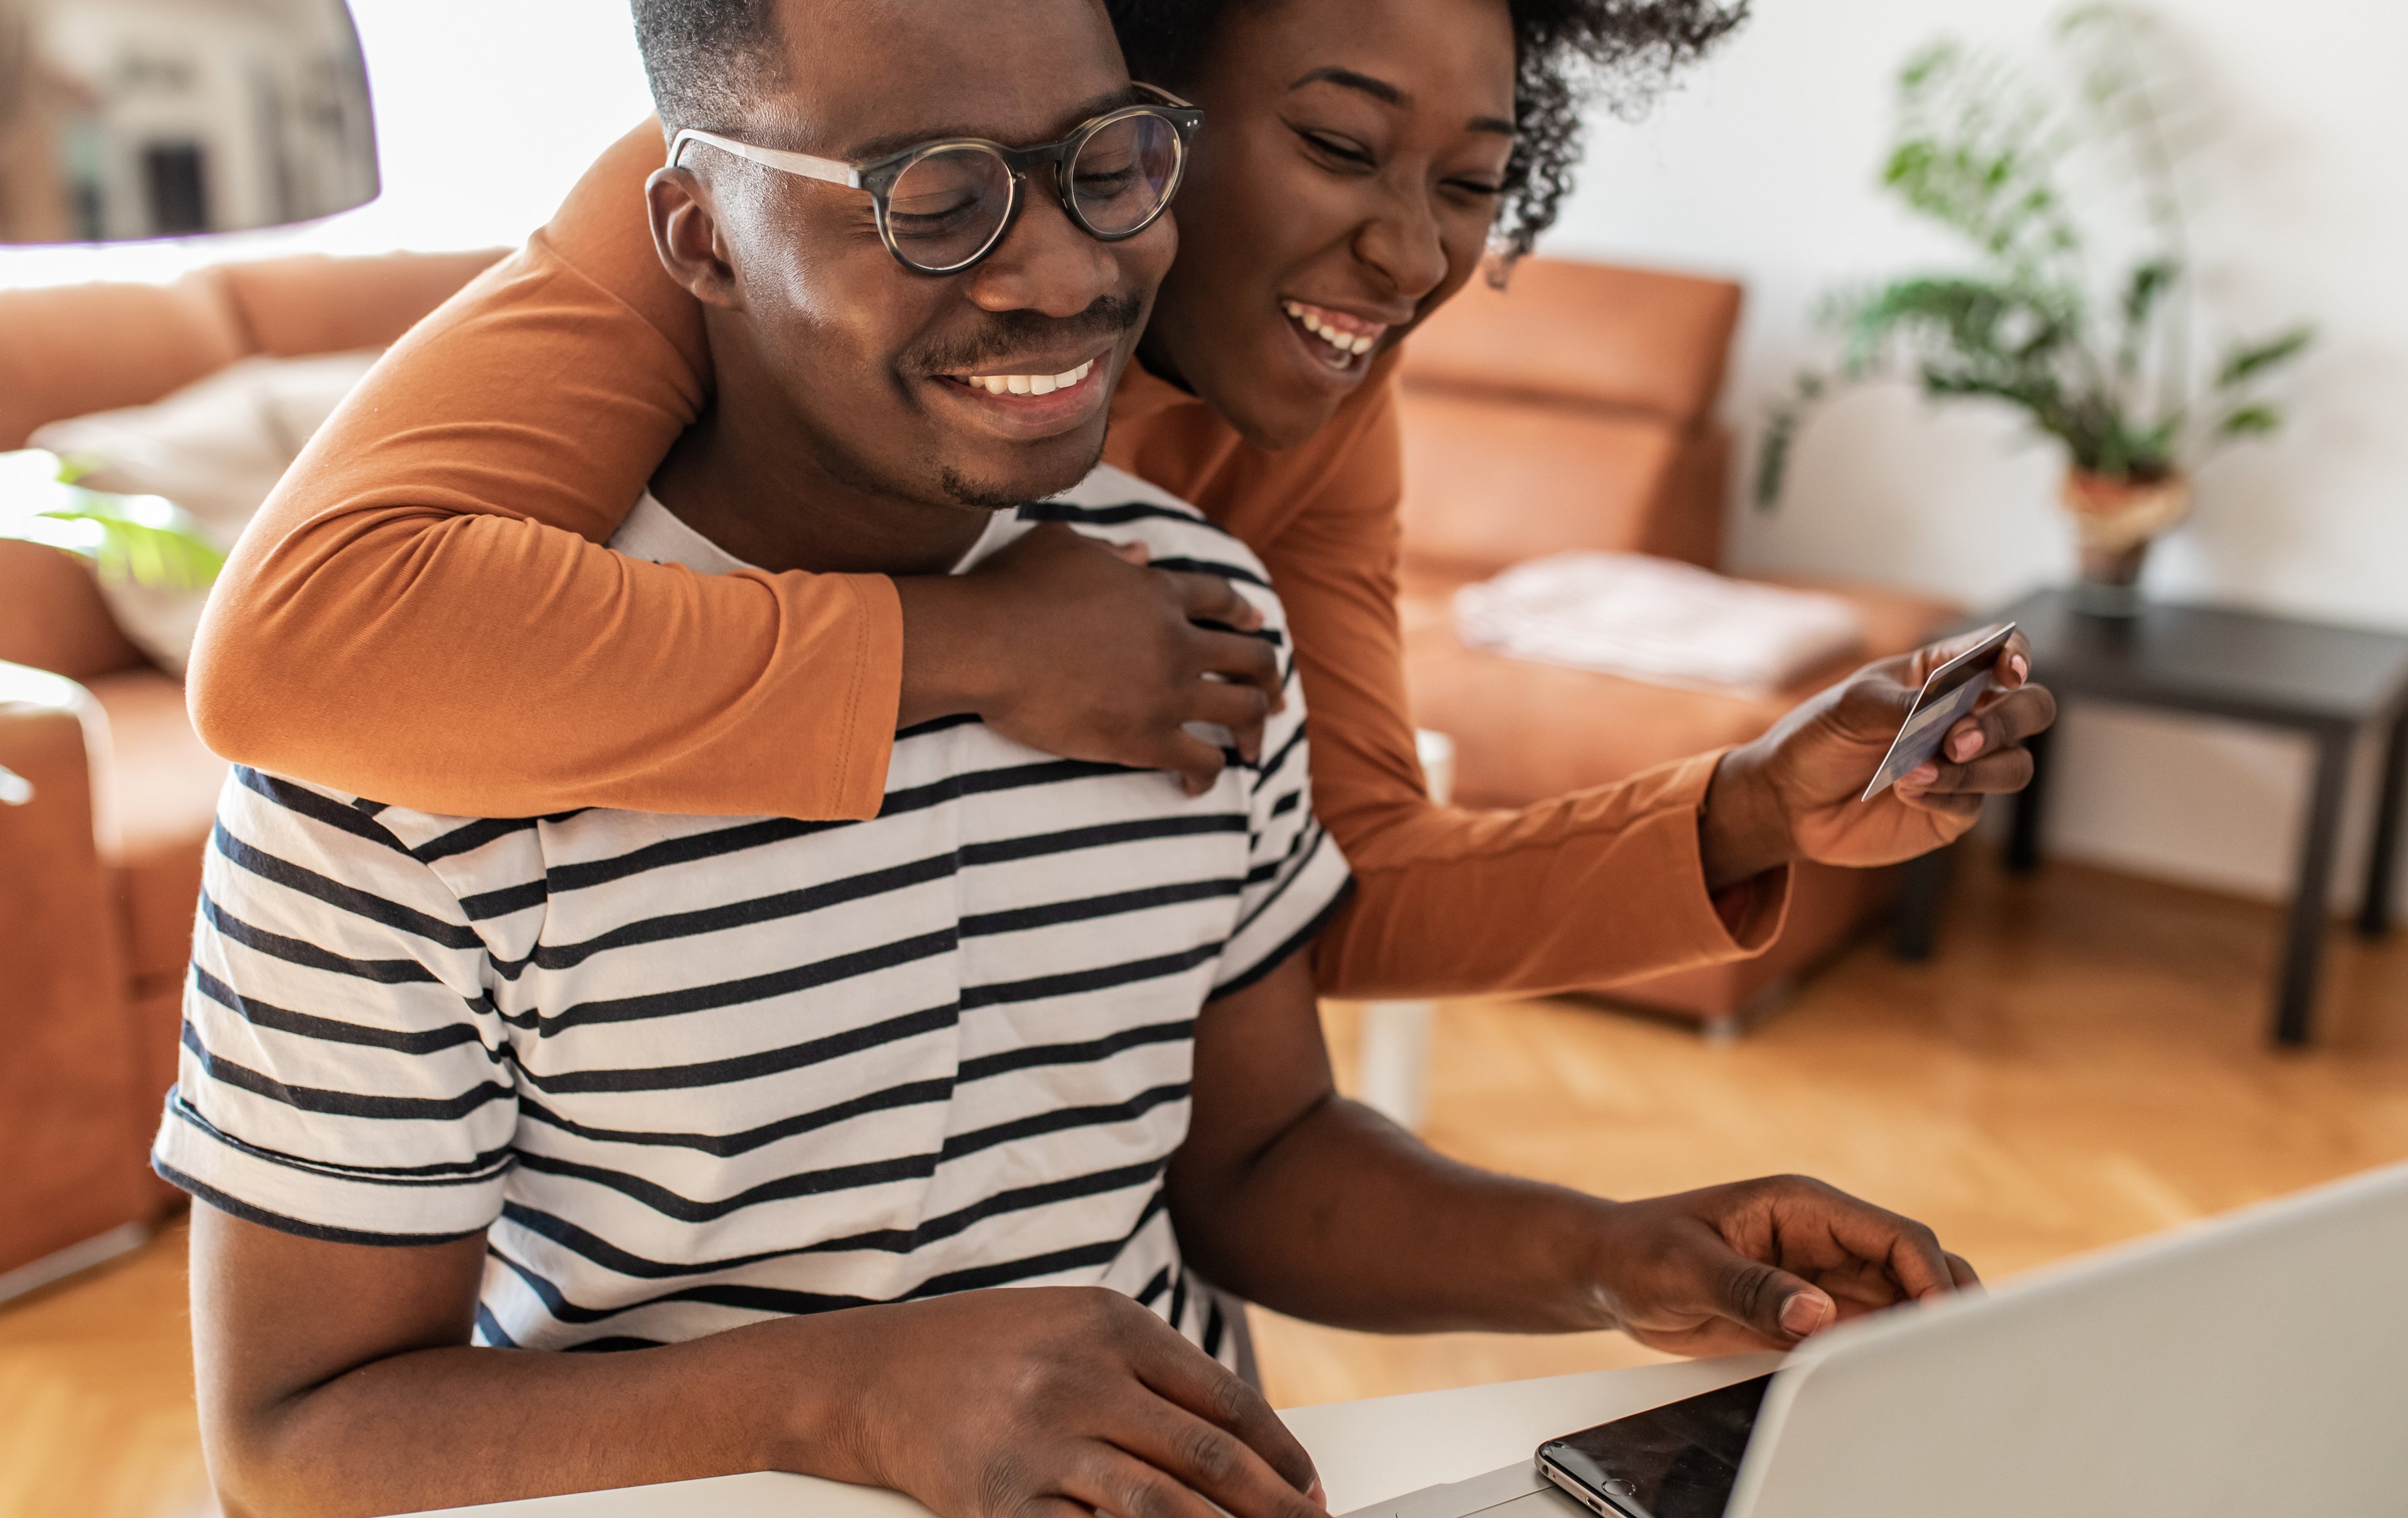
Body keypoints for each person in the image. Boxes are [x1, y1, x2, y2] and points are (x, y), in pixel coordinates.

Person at [173, 8, 1978, 1518]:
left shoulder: (1200, 597)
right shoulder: (432, 718)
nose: (1052, 270)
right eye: (933, 197)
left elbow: (1262, 1124)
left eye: (1105, 169)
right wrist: (853, 1393)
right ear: (699, 228)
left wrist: (1609, 1254)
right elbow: (297, 1440)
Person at [188, 0, 2059, 1004]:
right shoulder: (742, 224)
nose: (1408, 254)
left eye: (1476, 181)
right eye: (1336, 145)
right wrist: (972, 646)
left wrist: (1746, 804)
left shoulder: (1312, 401)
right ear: (1123, 77)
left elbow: (1334, 891)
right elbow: (312, 638)